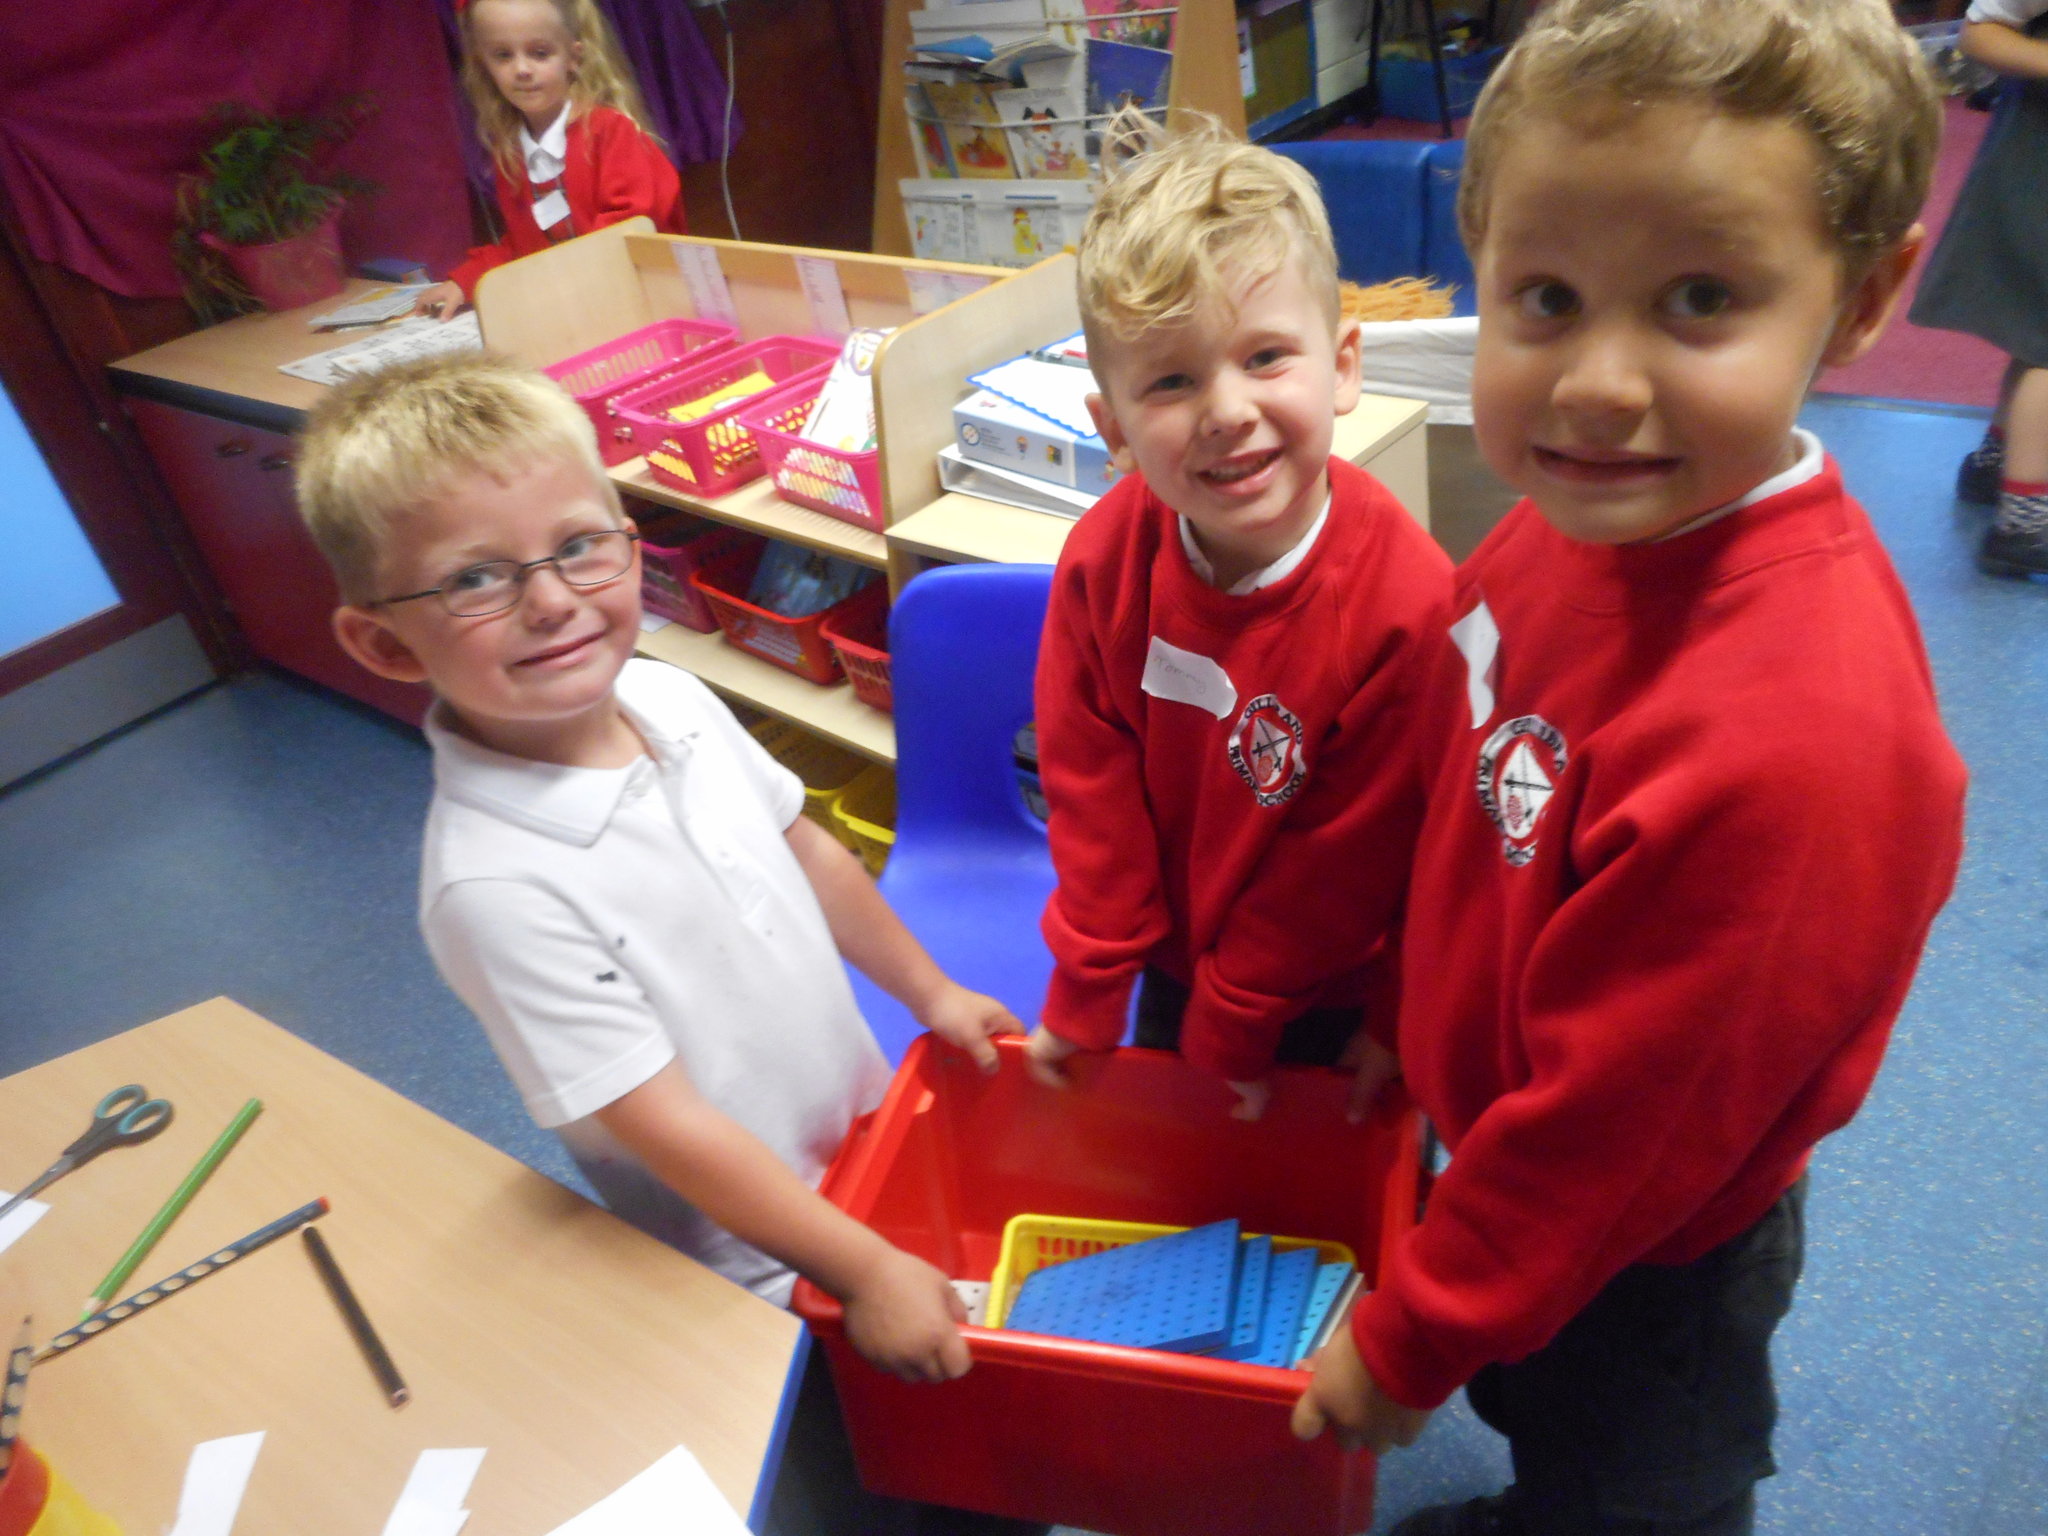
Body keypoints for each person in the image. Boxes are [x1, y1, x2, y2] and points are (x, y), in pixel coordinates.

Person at [1288, 3, 1969, 1533]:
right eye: (1543, 297)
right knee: (1538, 1401)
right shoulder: (1571, 520)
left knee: (1633, 1481)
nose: (1596, 383)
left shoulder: (1806, 742)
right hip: (1514, 1146)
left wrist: (1409, 1337)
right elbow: (1475, 811)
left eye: (1700, 300)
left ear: (1864, 299)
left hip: (1655, 1240)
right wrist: (1409, 1010)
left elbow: (1623, 1136)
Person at [294, 354, 1020, 1383]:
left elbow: (805, 850)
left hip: (863, 1135)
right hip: (755, 1265)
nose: (550, 602)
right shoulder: (492, 889)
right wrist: (861, 1269)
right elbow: (667, 1128)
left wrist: (930, 990)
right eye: (474, 578)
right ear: (385, 644)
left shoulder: (669, 697)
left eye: (580, 546)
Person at [1019, 115, 1452, 1119]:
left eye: (1264, 358)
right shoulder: (1101, 560)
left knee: (1341, 1218)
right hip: (1177, 967)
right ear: (1113, 428)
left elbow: (1339, 875)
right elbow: (1090, 794)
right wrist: (1090, 989)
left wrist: (1239, 1028)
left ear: (1341, 365)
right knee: (1186, 1193)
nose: (1224, 410)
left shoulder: (1405, 607)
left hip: (1338, 986)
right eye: (1170, 380)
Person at [411, 0, 687, 321]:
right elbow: (522, 247)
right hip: (577, 311)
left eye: (540, 53)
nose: (522, 69)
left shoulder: (610, 133)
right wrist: (466, 281)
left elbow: (632, 232)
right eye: (503, 55)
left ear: (573, 56)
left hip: (646, 307)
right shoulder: (513, 154)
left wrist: (556, 283)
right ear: (483, 65)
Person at [1906, 0, 2048, 577]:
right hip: (2038, 160)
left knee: (2037, 324)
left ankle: (1997, 460)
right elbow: (1979, 34)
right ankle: (2026, 520)